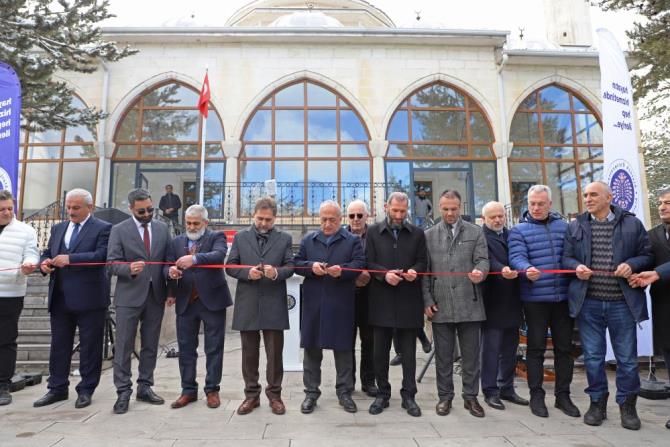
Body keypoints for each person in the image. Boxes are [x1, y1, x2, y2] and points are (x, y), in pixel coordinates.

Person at [563, 181, 652, 430]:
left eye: (593, 195)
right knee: (592, 358)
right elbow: (566, 257)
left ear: (609, 197)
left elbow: (648, 255)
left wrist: (633, 264)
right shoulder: (576, 225)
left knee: (627, 359)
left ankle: (628, 406)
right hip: (588, 303)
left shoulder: (632, 223)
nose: (588, 199)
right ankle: (597, 403)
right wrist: (575, 267)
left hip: (622, 304)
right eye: (585, 195)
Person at [34, 189, 112, 409]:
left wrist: (70, 259)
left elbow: (102, 255)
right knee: (59, 345)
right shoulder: (58, 228)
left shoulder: (104, 228)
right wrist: (44, 263)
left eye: (76, 207)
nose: (70, 212)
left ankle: (86, 389)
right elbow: (48, 251)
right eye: (68, 207)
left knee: (90, 347)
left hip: (90, 298)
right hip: (60, 297)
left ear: (90, 207)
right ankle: (57, 388)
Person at [508, 184, 579, 418]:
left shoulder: (565, 227)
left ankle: (563, 396)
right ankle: (536, 396)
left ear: (550, 204)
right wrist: (526, 268)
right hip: (535, 299)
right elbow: (516, 256)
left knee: (564, 349)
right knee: (535, 349)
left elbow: (573, 256)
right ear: (527, 204)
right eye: (532, 204)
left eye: (540, 203)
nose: (536, 208)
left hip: (563, 299)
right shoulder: (518, 230)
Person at [423, 190, 489, 417]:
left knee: (471, 357)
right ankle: (445, 397)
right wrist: (427, 300)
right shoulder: (428, 235)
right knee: (443, 356)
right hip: (440, 304)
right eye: (445, 209)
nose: (450, 213)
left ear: (460, 207)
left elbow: (483, 259)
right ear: (439, 208)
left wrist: (480, 271)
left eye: (454, 208)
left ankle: (471, 398)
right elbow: (425, 272)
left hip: (469, 302)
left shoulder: (475, 231)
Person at [295, 200, 365, 414]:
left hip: (340, 303)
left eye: (332, 220)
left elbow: (359, 264)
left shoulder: (352, 240)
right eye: (323, 219)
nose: (327, 224)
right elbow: (296, 263)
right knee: (311, 350)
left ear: (340, 219)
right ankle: (311, 393)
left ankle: (344, 392)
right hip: (314, 303)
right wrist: (310, 267)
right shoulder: (309, 239)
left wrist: (342, 271)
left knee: (343, 349)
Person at [226, 197, 294, 416]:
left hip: (274, 302)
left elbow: (290, 266)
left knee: (275, 354)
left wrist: (277, 273)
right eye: (260, 218)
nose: (264, 223)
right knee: (249, 353)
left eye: (268, 219)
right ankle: (251, 396)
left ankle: (275, 396)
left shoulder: (285, 238)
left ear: (275, 218)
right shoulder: (240, 237)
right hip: (248, 302)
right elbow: (230, 266)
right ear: (252, 215)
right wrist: (247, 273)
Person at [107, 188, 171, 414]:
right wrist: (127, 269)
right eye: (142, 211)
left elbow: (166, 263)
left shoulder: (163, 229)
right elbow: (111, 264)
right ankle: (123, 392)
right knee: (124, 346)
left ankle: (145, 387)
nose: (147, 214)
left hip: (156, 296)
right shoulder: (119, 230)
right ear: (131, 209)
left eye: (150, 209)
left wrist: (170, 289)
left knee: (150, 345)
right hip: (128, 297)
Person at [366, 192, 427, 417]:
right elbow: (368, 262)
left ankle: (409, 395)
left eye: (403, 211)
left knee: (409, 353)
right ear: (386, 207)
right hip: (381, 299)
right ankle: (383, 393)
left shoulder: (418, 234)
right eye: (395, 211)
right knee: (380, 352)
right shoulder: (373, 232)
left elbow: (423, 261)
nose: (399, 215)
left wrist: (415, 271)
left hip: (408, 298)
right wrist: (384, 274)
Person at [166, 204, 232, 410]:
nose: (192, 227)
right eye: (188, 223)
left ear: (205, 222)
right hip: (186, 301)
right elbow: (167, 265)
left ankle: (212, 390)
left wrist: (193, 259)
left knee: (214, 348)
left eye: (196, 223)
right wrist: (170, 275)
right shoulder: (175, 241)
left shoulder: (216, 237)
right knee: (186, 349)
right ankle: (188, 391)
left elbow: (219, 256)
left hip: (212, 300)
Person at [479, 201, 528, 410]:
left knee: (510, 348)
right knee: (491, 350)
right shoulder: (480, 237)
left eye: (501, 216)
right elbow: (486, 260)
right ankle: (490, 390)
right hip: (492, 300)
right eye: (493, 217)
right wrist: (503, 269)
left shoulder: (513, 234)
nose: (498, 220)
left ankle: (506, 388)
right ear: (484, 219)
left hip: (514, 300)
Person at [0, 190, 38, 406]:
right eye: (2, 210)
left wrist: (29, 265)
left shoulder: (25, 231)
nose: (7, 213)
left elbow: (32, 253)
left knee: (5, 340)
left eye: (9, 209)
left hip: (9, 294)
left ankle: (3, 384)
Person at [344, 199, 377, 397]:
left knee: (369, 341)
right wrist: (354, 277)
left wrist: (368, 275)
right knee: (347, 341)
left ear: (367, 216)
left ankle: (369, 381)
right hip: (347, 294)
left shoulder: (375, 235)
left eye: (360, 215)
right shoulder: (340, 235)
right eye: (352, 215)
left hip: (371, 295)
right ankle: (348, 382)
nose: (356, 219)